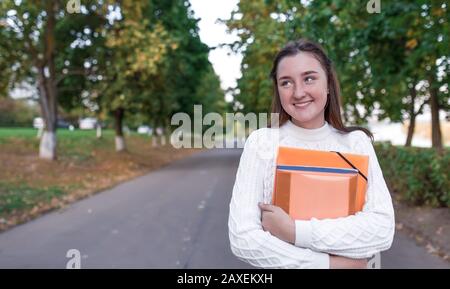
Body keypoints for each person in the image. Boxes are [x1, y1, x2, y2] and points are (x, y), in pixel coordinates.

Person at [228, 39, 395, 269]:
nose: (298, 92)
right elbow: (243, 239)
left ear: (327, 83)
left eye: (309, 78)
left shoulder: (357, 143)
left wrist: (294, 231)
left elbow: (381, 230)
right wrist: (330, 265)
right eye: (286, 82)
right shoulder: (262, 143)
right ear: (277, 90)